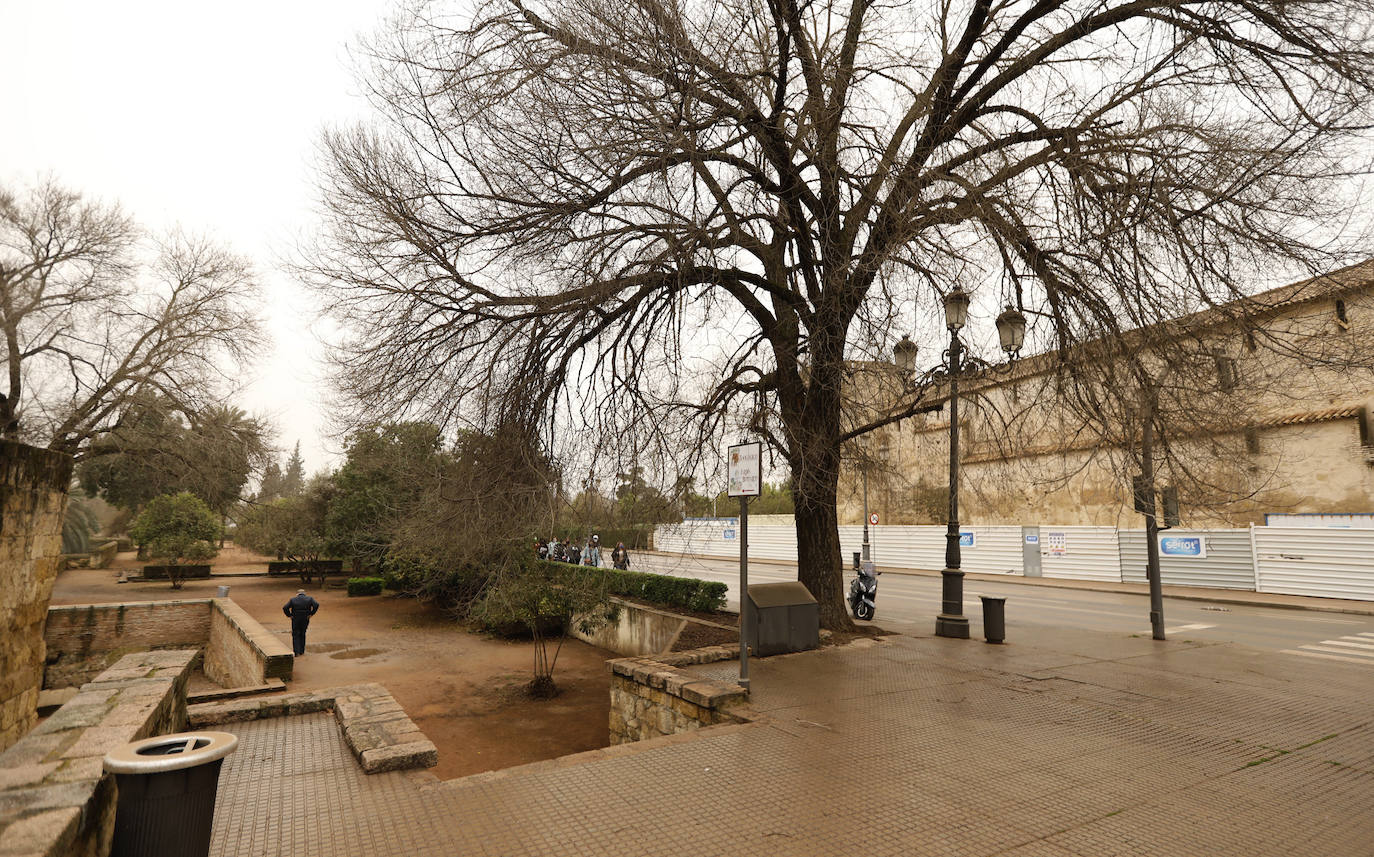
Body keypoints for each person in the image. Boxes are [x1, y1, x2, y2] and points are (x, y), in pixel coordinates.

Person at [282, 589, 320, 656]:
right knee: (303, 633)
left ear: (297, 594)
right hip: (305, 618)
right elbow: (316, 605)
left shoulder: (293, 600)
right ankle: (302, 651)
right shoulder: (310, 599)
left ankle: (296, 652)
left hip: (295, 619)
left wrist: (289, 615)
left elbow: (285, 607)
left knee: (295, 634)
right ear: (304, 594)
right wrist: (311, 613)